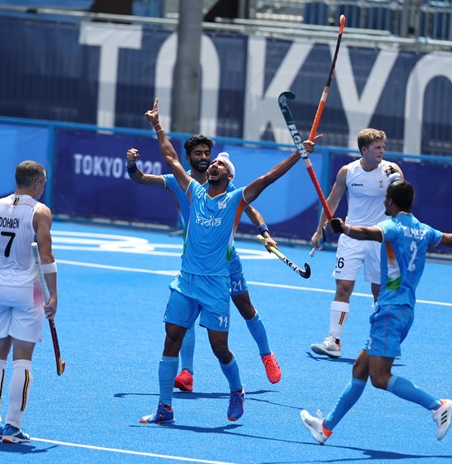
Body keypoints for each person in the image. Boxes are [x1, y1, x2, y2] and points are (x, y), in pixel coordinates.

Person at [137, 99, 316, 425]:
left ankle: (237, 390)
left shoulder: (235, 198)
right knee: (171, 338)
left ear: (228, 175)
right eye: (212, 163)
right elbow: (171, 158)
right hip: (186, 280)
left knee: (220, 347)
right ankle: (165, 407)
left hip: (217, 283)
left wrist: (297, 154)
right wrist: (157, 126)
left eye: (219, 164)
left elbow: (269, 177)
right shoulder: (193, 191)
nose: (213, 165)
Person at [300, 180, 452, 444]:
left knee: (380, 377)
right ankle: (325, 427)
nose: (384, 202)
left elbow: (368, 233)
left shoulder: (392, 227)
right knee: (360, 369)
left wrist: (346, 228)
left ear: (391, 201)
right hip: (404, 309)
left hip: (389, 310)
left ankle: (437, 406)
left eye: (386, 198)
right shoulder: (423, 230)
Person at [126, 132, 281, 390]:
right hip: (195, 262)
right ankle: (187, 372)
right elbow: (140, 178)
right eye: (198, 153)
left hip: (226, 261)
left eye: (207, 153)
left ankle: (266, 355)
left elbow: (251, 209)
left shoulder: (224, 185)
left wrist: (264, 232)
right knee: (185, 316)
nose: (204, 158)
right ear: (188, 158)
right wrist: (132, 165)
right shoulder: (179, 181)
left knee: (245, 307)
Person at [0, 160, 57, 444]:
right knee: (22, 360)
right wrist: (53, 295)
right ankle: (13, 426)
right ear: (37, 183)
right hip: (30, 291)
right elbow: (46, 256)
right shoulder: (40, 211)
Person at [309, 128, 403, 359]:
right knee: (343, 288)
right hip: (351, 237)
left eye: (383, 147)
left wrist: (397, 183)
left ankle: (383, 342)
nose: (382, 151)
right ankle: (333, 341)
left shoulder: (391, 170)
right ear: (364, 150)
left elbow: (404, 200)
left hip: (380, 238)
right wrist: (319, 230)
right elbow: (332, 202)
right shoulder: (348, 172)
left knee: (380, 293)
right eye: (377, 148)